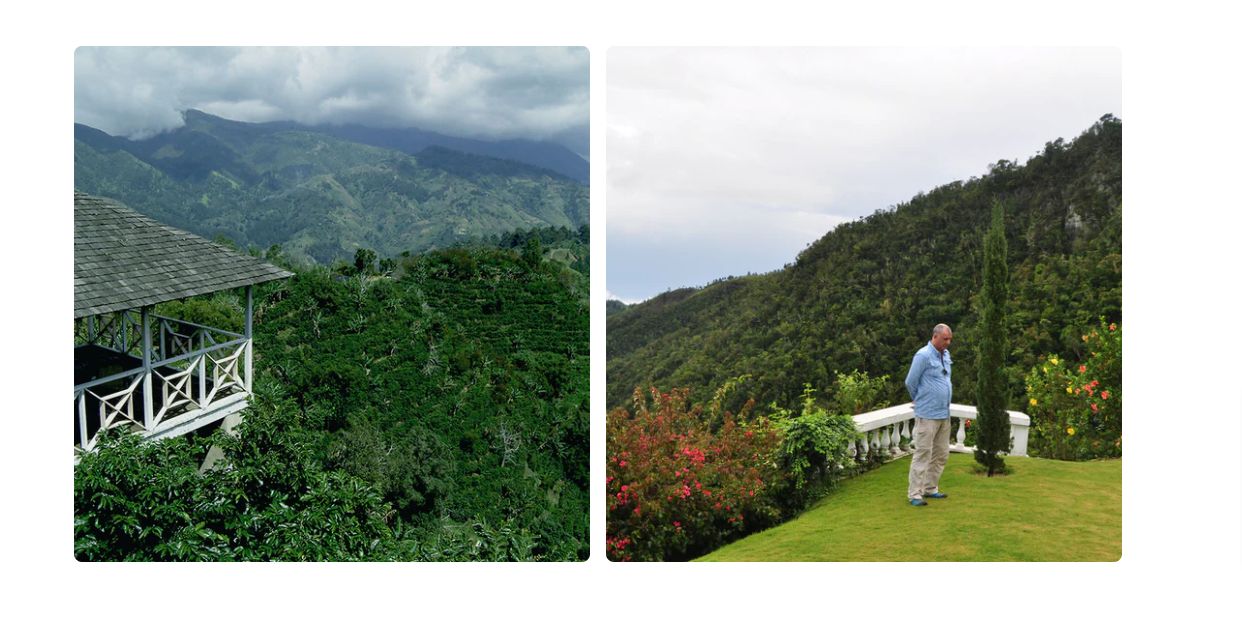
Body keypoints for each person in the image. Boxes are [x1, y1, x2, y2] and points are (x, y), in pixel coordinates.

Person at [905, 323, 953, 506]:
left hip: (944, 413)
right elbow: (910, 381)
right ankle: (915, 495)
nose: (948, 343)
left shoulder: (946, 355)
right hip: (927, 413)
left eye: (949, 339)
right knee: (923, 453)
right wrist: (919, 398)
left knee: (941, 454)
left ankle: (930, 488)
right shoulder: (923, 355)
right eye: (945, 339)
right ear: (935, 336)